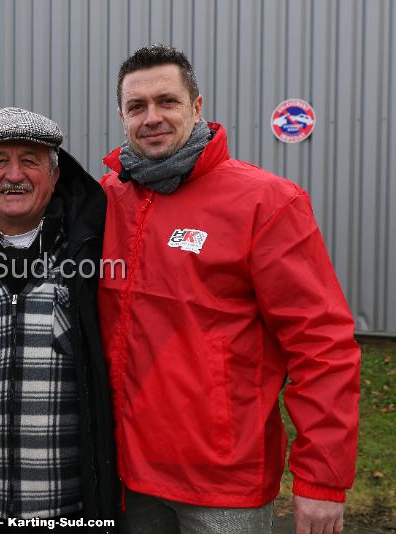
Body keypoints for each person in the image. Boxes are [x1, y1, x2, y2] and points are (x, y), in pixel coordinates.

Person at [99, 45, 360, 534]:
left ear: (197, 107)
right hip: (127, 476)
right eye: (137, 107)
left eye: (167, 101)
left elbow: (321, 345)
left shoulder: (267, 202)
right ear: (122, 116)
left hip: (224, 486)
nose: (151, 117)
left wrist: (322, 480)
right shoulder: (106, 200)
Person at [0, 107, 117, 533]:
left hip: (72, 509)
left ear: (54, 176)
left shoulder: (94, 249)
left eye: (30, 160)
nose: (15, 174)